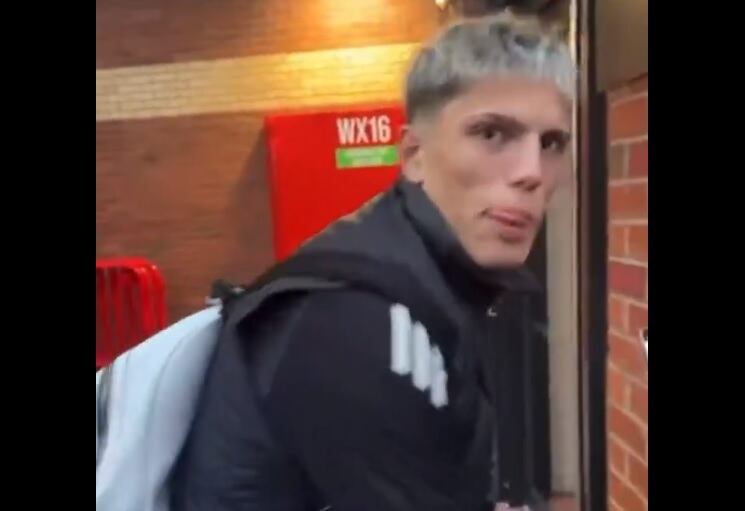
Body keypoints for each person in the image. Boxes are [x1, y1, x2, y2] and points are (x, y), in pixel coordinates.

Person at [170, 13, 574, 511]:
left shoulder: (427, 276)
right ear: (414, 154)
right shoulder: (358, 322)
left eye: (551, 143)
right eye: (492, 134)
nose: (532, 172)